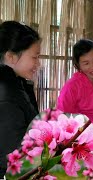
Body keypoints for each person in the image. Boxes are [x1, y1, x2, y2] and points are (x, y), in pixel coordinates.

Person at [0, 21, 41, 178]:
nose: (38, 63)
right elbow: (11, 158)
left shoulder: (17, 83)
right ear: (11, 56)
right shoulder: (6, 93)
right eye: (34, 57)